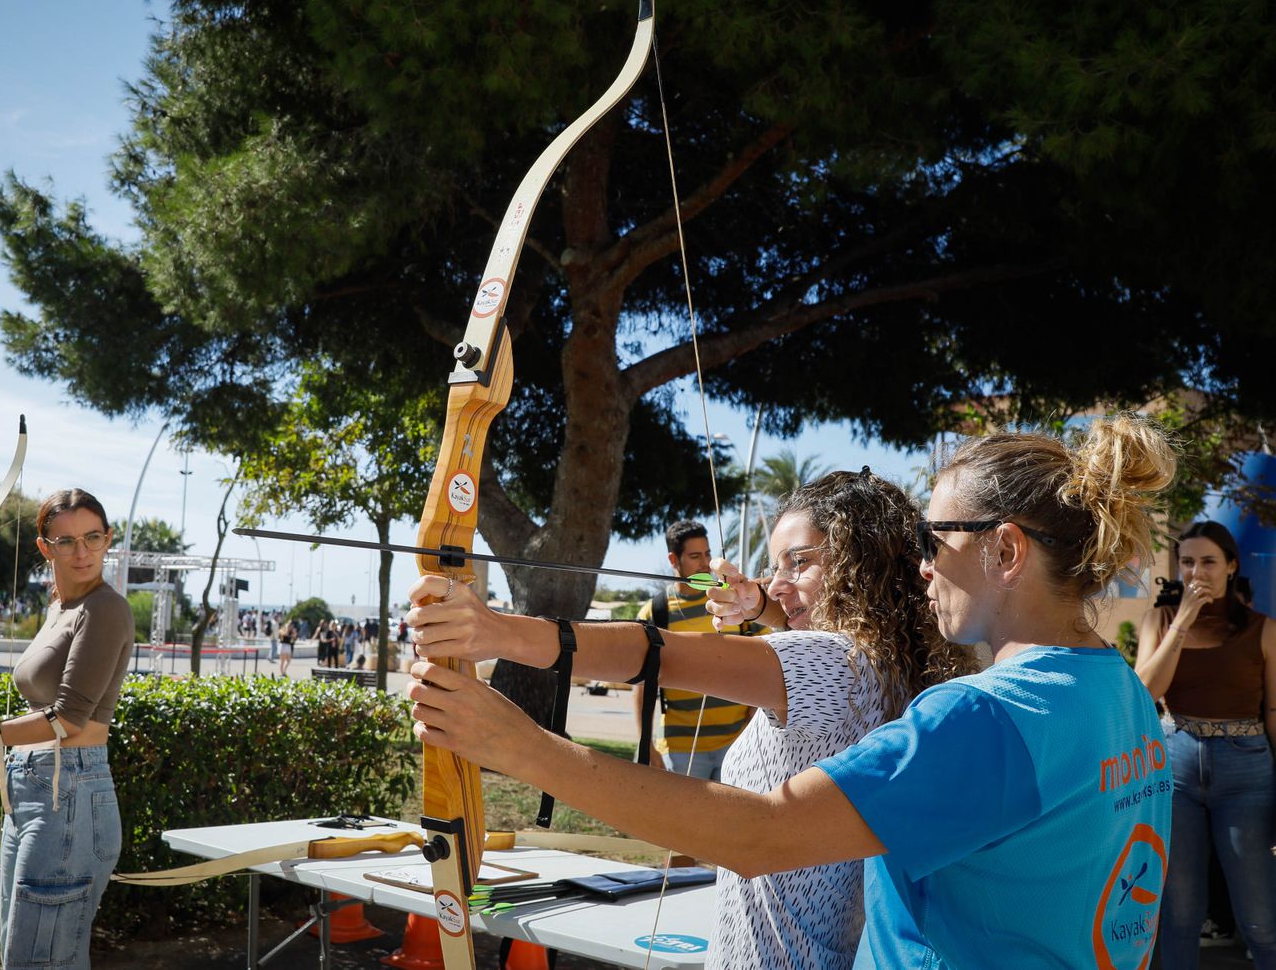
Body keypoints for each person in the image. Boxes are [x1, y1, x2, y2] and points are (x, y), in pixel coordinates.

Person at [407, 414, 1176, 968]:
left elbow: (762, 834)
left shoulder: (982, 717)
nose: (921, 566)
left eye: (933, 541)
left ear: (1005, 548)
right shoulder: (1122, 692)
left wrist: (516, 741)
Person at [0, 488, 133, 970]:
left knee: (38, 961)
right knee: (23, 954)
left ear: (107, 540)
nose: (82, 552)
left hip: (71, 794)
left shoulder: (105, 609)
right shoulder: (63, 605)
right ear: (45, 548)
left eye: (93, 538)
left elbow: (68, 719)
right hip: (34, 790)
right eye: (66, 541)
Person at [1134, 520, 1276, 967]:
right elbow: (1144, 694)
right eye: (1188, 561)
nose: (1197, 571)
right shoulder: (1160, 619)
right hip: (1175, 766)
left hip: (1246, 768)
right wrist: (1184, 620)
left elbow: (1273, 712)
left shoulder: (1263, 629)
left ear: (1231, 566)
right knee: (1178, 913)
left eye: (1209, 561)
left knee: (1260, 916)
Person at [632, 519, 768, 780]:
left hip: (739, 741)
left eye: (707, 554)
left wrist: (753, 721)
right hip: (680, 749)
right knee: (684, 821)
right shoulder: (655, 612)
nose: (705, 563)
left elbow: (766, 654)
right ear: (674, 559)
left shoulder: (734, 599)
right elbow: (641, 687)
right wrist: (645, 744)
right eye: (695, 556)